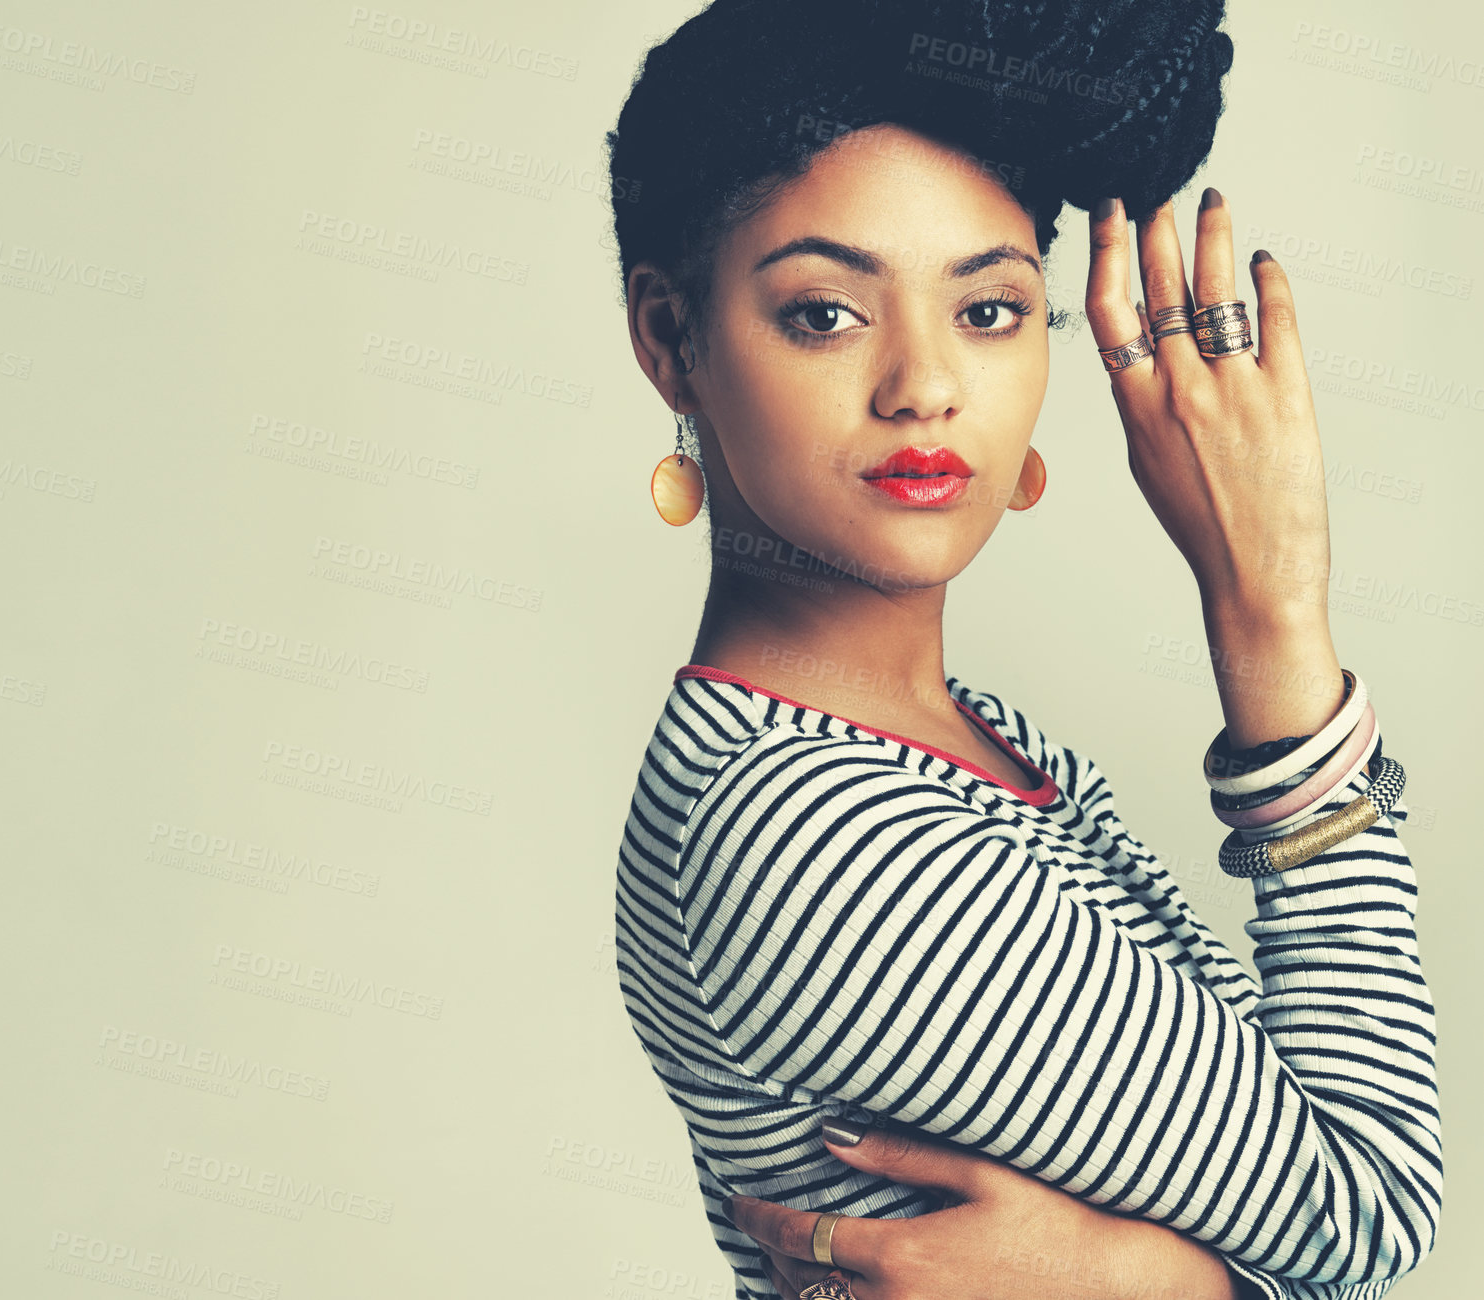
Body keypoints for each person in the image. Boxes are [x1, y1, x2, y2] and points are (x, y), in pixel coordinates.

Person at [603, 3, 1442, 1298]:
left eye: (988, 310)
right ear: (672, 339)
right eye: (825, 312)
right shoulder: (819, 827)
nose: (923, 387)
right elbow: (1368, 1217)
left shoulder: (950, 735)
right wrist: (1271, 612)